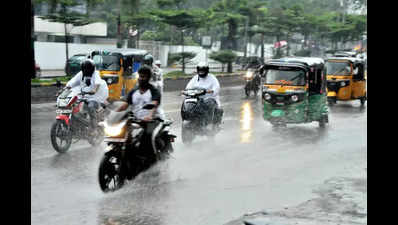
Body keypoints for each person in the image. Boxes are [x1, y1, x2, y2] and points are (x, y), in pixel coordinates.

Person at [117, 66, 165, 157]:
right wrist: (113, 113)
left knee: (148, 136)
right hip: (138, 120)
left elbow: (154, 105)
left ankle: (153, 158)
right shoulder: (134, 91)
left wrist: (150, 116)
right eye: (140, 76)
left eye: (143, 77)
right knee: (124, 134)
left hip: (154, 120)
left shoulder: (154, 91)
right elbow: (125, 105)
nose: (141, 79)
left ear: (148, 78)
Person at [64, 59, 105, 131]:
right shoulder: (81, 74)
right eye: (85, 68)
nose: (87, 70)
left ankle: (93, 127)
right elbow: (72, 82)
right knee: (74, 107)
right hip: (84, 96)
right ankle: (79, 126)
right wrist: (65, 89)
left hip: (94, 97)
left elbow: (97, 83)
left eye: (88, 68)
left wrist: (94, 90)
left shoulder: (95, 74)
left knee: (90, 106)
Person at [183, 61, 223, 128]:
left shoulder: (212, 78)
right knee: (187, 102)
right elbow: (188, 87)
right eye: (200, 70)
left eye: (203, 70)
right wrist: (185, 91)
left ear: (207, 70)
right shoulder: (195, 78)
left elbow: (217, 88)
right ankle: (190, 118)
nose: (201, 71)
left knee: (210, 103)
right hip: (197, 98)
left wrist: (211, 91)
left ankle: (210, 123)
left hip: (209, 98)